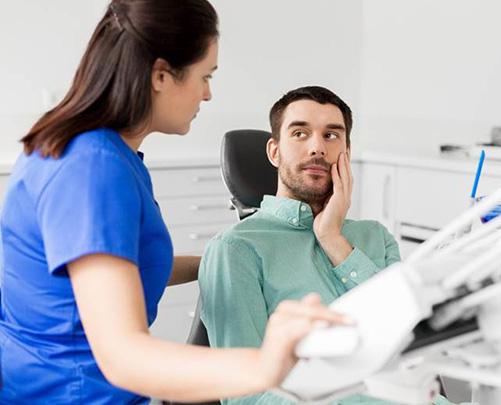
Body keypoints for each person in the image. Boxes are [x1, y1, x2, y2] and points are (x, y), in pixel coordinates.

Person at [0, 2, 347, 403]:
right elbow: (123, 357)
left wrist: (233, 258)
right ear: (161, 75)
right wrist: (264, 364)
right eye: (205, 76)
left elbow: (118, 270)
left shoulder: (100, 153)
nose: (208, 93)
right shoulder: (92, 169)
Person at [199, 86, 402, 404]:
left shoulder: (376, 237)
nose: (317, 148)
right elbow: (245, 399)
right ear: (274, 151)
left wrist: (334, 240)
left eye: (331, 136)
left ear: (346, 152)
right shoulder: (236, 250)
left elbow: (408, 339)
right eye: (300, 133)